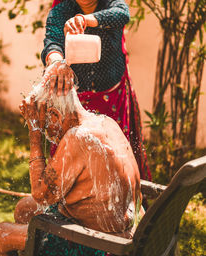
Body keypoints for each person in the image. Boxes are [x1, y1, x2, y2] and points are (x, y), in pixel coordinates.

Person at [0, 80, 144, 256]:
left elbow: (41, 195)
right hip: (124, 235)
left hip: (99, 249)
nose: (51, 137)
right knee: (23, 208)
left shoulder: (77, 138)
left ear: (55, 115)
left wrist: (35, 134)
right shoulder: (106, 122)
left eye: (47, 128)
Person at [41, 0, 151, 180]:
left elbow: (122, 14)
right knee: (73, 154)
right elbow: (52, 42)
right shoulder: (61, 10)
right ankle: (70, 202)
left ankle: (122, 200)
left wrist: (86, 20)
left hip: (112, 94)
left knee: (115, 154)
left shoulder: (111, 4)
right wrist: (56, 63)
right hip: (76, 100)